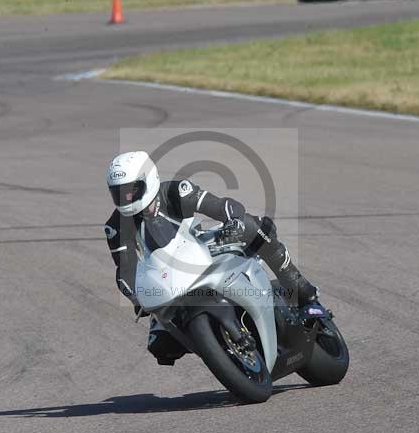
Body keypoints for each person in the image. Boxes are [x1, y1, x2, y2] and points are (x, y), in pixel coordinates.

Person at [104, 150, 325, 365]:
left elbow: (221, 206)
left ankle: (303, 293)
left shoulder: (175, 192)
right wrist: (136, 296)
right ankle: (217, 348)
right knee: (161, 347)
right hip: (166, 279)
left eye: (132, 190)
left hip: (202, 248)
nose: (126, 198)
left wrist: (234, 222)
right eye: (119, 193)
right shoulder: (116, 226)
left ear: (148, 179)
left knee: (255, 227)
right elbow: (125, 271)